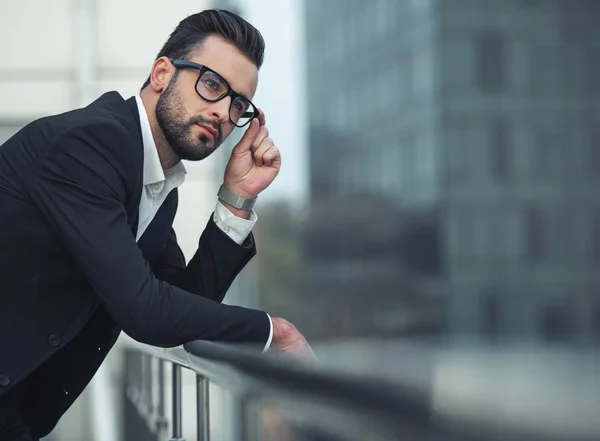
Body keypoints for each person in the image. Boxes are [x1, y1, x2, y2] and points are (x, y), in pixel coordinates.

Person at [0, 9, 312, 441]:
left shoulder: (157, 186)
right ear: (163, 73)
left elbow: (183, 304)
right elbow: (146, 312)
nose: (223, 111)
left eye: (238, 103)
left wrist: (237, 199)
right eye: (212, 84)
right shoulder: (90, 146)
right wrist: (272, 332)